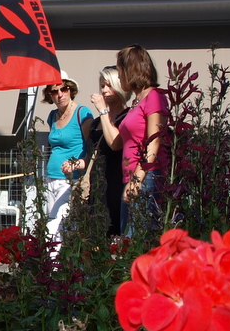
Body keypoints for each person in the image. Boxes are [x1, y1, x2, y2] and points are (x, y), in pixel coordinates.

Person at [97, 45, 169, 234]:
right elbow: (119, 142)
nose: (119, 77)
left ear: (131, 70)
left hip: (147, 178)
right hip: (131, 178)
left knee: (138, 240)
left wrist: (137, 180)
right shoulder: (137, 102)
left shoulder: (154, 97)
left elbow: (154, 140)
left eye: (120, 71)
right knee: (128, 241)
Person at [43, 71, 93, 243]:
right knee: (51, 222)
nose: (60, 94)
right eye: (54, 91)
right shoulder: (52, 116)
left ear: (70, 89)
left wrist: (76, 164)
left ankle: (55, 267)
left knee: (58, 227)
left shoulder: (82, 113)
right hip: (50, 179)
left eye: (63, 89)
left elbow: (92, 149)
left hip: (71, 180)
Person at [89, 66, 131, 235]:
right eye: (102, 86)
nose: (104, 90)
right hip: (97, 185)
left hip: (116, 184)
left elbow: (115, 143)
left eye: (109, 85)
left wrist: (103, 111)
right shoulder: (96, 122)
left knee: (115, 233)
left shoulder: (128, 117)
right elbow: (90, 152)